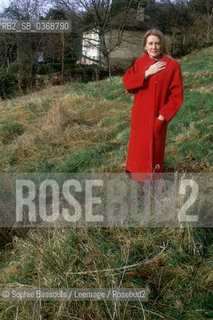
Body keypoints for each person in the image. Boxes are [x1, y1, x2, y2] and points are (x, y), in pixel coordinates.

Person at [122, 28, 183, 182]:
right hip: (140, 119)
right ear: (145, 46)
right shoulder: (139, 63)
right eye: (150, 43)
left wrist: (162, 117)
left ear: (162, 45)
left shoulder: (172, 65)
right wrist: (147, 73)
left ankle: (152, 194)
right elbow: (128, 84)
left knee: (154, 158)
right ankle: (138, 193)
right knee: (138, 157)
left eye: (157, 43)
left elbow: (176, 96)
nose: (154, 47)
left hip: (157, 120)